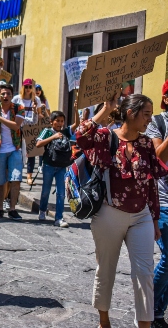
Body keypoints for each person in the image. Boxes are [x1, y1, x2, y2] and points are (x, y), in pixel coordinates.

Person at [76, 93, 165, 328]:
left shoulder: (146, 143)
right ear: (130, 113)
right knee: (106, 270)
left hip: (142, 216)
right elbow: (81, 136)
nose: (149, 119)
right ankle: (104, 322)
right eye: (146, 114)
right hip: (109, 213)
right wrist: (106, 109)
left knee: (144, 273)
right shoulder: (106, 137)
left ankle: (144, 325)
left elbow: (152, 183)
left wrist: (154, 218)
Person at [141, 80, 168, 328]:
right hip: (164, 201)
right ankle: (153, 309)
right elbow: (159, 158)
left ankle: (157, 310)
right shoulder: (156, 124)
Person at [35, 110, 80, 228]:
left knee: (61, 193)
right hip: (48, 165)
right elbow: (38, 144)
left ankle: (59, 218)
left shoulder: (66, 132)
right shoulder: (47, 131)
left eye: (62, 121)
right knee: (45, 191)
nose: (60, 123)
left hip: (61, 167)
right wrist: (53, 137)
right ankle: (42, 210)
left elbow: (77, 123)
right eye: (57, 121)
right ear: (51, 122)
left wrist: (75, 110)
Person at [0, 84, 25, 220]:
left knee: (15, 179)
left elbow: (16, 126)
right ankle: (0, 208)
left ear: (12, 95)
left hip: (15, 149)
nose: (6, 96)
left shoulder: (18, 109)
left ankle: (12, 209)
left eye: (8, 94)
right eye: (3, 94)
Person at [12, 78, 43, 185]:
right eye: (26, 87)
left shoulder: (36, 100)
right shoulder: (16, 99)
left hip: (31, 128)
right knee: (18, 151)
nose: (28, 89)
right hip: (19, 127)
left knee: (31, 152)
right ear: (23, 87)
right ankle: (18, 172)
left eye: (30, 87)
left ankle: (29, 175)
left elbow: (39, 115)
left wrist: (36, 111)